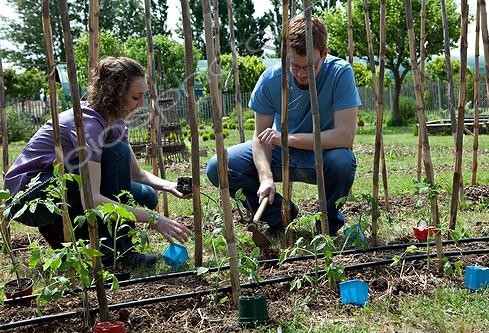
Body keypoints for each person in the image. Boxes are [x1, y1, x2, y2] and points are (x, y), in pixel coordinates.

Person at [4, 56, 191, 267]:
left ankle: (76, 241)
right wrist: (153, 218)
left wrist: (170, 186)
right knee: (116, 152)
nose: (141, 105)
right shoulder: (88, 125)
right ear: (116, 94)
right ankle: (117, 253)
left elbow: (136, 174)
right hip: (28, 198)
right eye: (136, 97)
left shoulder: (115, 121)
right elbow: (91, 199)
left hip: (61, 184)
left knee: (145, 195)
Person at [206, 15, 360, 236]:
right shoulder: (271, 79)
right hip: (280, 153)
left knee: (343, 161)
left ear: (324, 54)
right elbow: (260, 138)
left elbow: (344, 137)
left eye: (310, 66)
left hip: (320, 156)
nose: (301, 74)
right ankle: (279, 214)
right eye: (294, 66)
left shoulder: (340, 73)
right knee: (218, 165)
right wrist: (265, 177)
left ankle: (327, 222)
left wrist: (285, 138)